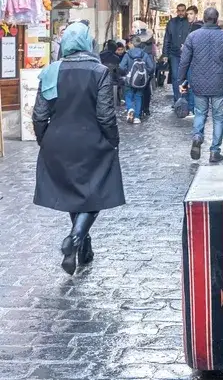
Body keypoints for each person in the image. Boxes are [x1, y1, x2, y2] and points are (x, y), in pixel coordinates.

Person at [32, 22, 125, 276]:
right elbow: (105, 115)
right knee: (95, 192)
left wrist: (45, 142)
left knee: (76, 194)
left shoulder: (51, 71)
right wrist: (112, 141)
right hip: (91, 142)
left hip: (57, 144)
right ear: (88, 43)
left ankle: (84, 248)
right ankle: (74, 239)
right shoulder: (100, 72)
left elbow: (40, 116)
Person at [178, 8, 223, 163]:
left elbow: (184, 60)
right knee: (219, 118)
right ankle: (214, 151)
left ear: (204, 19)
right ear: (217, 19)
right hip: (220, 83)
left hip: (199, 82)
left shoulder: (193, 36)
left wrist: (181, 80)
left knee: (200, 113)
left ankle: (198, 136)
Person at [119, 35, 155, 124]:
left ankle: (130, 108)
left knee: (128, 95)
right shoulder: (145, 55)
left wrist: (125, 73)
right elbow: (151, 68)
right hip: (141, 81)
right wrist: (146, 74)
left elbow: (121, 67)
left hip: (129, 79)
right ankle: (137, 117)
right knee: (138, 97)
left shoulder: (127, 54)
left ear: (132, 44)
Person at [162, 3, 193, 103]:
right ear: (176, 11)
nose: (181, 12)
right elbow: (167, 38)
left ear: (185, 11)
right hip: (174, 53)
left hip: (188, 54)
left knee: (187, 76)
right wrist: (165, 54)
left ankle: (186, 99)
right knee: (175, 77)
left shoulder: (189, 22)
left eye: (182, 10)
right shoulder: (171, 22)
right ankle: (178, 100)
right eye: (179, 10)